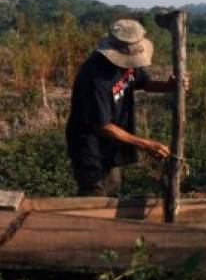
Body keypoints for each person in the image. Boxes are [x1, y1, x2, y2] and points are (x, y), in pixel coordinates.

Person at [65, 18, 188, 197]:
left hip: (110, 146)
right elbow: (102, 126)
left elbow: (143, 83)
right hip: (89, 148)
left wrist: (169, 85)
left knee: (113, 188)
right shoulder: (94, 77)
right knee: (94, 199)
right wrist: (146, 145)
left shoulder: (128, 65)